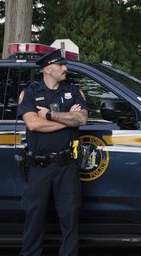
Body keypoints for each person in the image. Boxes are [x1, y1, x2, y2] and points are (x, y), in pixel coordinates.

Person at [17, 49, 89, 256]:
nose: (65, 69)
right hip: (38, 167)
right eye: (61, 65)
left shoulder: (74, 91)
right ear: (48, 69)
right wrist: (67, 121)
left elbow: (82, 119)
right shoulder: (30, 93)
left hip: (67, 165)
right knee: (34, 217)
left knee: (69, 218)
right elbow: (33, 124)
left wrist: (49, 115)